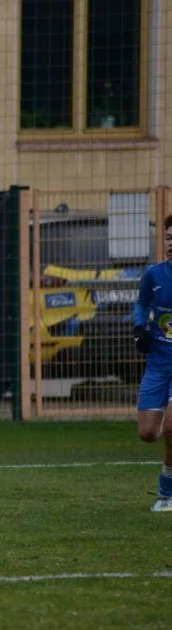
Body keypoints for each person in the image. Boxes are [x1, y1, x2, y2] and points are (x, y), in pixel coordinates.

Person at [132, 213, 172, 512]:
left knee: (171, 428)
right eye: (169, 238)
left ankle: (166, 491)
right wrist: (138, 329)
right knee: (149, 433)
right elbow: (142, 304)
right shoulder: (153, 274)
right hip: (158, 361)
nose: (171, 244)